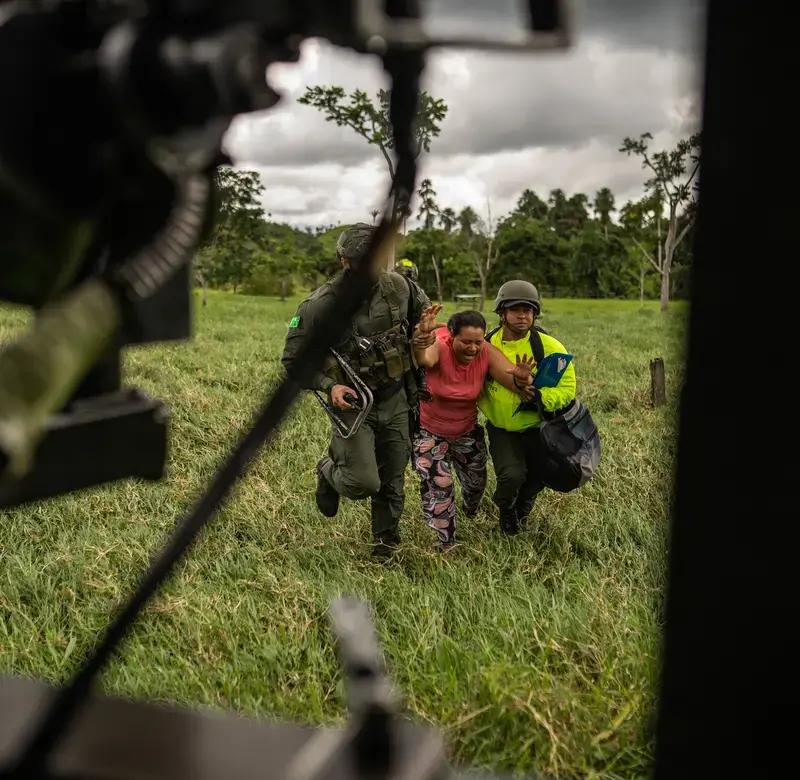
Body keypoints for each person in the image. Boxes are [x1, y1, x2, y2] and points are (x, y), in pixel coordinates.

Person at [281, 224, 433, 559]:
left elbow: (426, 316)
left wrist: (426, 331)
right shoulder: (319, 306)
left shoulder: (400, 287)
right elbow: (293, 360)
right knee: (363, 482)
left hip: (396, 396)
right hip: (352, 402)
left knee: (392, 478)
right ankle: (327, 469)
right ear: (343, 261)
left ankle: (385, 543)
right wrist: (329, 385)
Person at [411, 306, 535, 552]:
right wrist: (421, 341)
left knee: (476, 485)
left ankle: (470, 509)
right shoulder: (441, 347)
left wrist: (522, 379)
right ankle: (446, 542)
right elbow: (424, 358)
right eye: (465, 342)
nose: (473, 348)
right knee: (440, 485)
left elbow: (512, 380)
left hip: (466, 432)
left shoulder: (486, 352)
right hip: (430, 432)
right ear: (451, 337)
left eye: (477, 342)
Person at [478, 280, 577, 536]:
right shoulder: (486, 345)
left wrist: (537, 396)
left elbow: (566, 391)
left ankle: (523, 506)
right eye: (515, 309)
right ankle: (506, 508)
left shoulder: (550, 348)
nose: (523, 315)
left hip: (538, 426)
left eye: (528, 310)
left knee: (538, 476)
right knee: (511, 475)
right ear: (502, 313)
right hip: (502, 427)